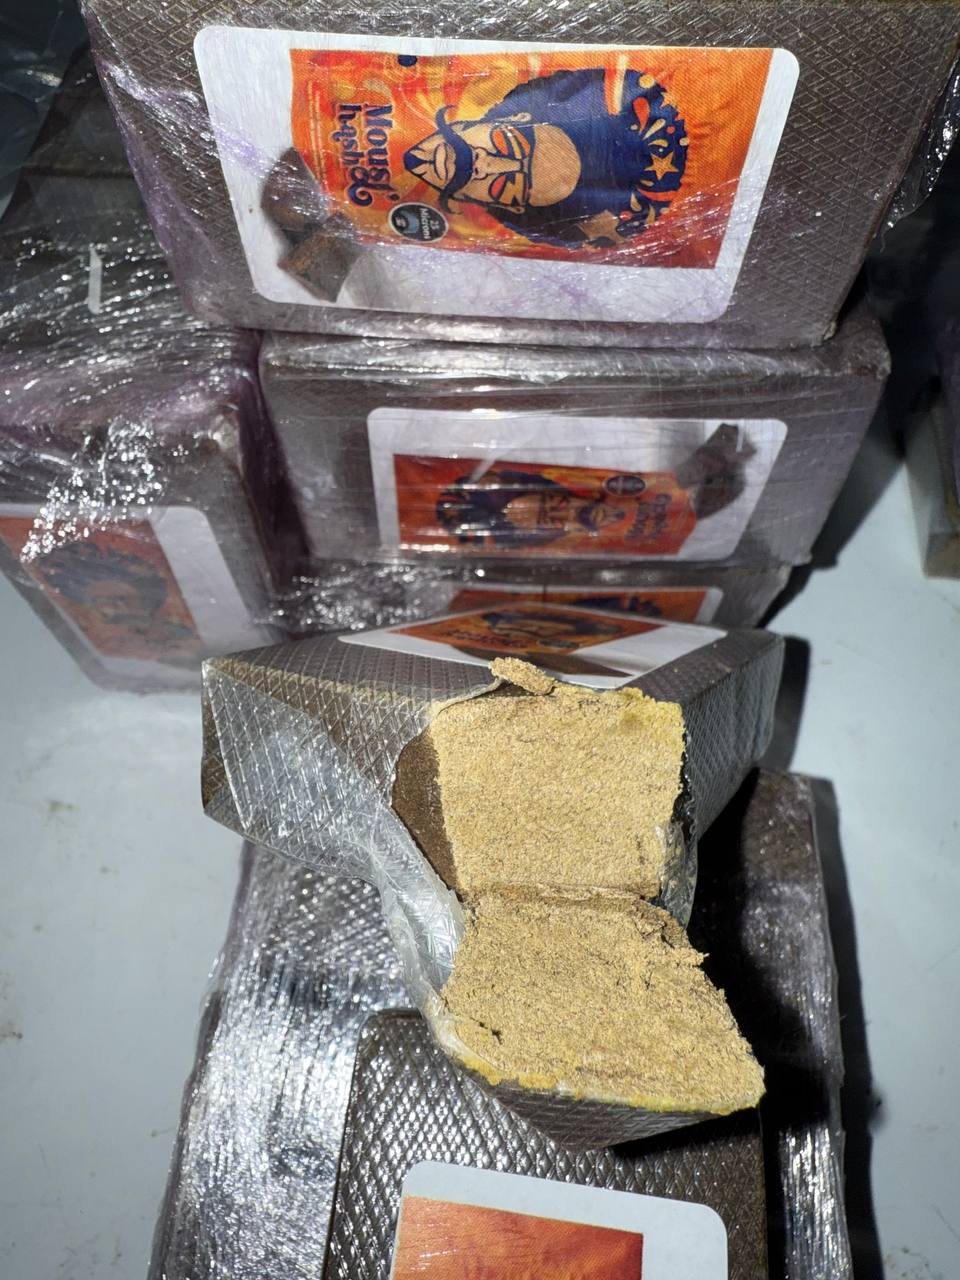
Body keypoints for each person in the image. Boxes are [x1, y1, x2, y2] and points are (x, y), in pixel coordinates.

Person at [403, 67, 688, 247]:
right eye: (505, 185)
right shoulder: (616, 222)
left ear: (517, 118)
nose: (490, 165)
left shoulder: (612, 89)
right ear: (516, 208)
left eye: (506, 144)